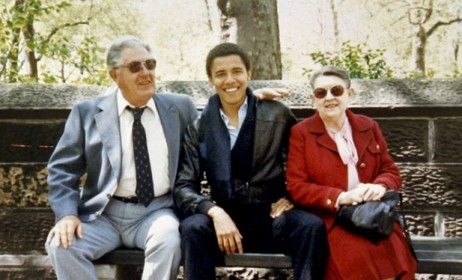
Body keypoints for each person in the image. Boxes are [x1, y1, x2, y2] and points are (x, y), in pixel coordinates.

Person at [44, 35, 198, 280]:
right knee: (61, 245)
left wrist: (249, 102)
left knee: (169, 240)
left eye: (150, 64)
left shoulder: (180, 108)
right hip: (104, 214)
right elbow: (62, 170)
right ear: (114, 75)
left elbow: (215, 128)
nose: (146, 73)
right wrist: (67, 215)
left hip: (157, 212)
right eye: (135, 67)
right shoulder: (88, 113)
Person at [174, 42, 328, 280]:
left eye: (237, 71)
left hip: (272, 217)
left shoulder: (276, 113)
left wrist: (291, 197)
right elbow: (184, 186)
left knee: (311, 227)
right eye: (221, 74)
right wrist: (214, 212)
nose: (230, 80)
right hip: (227, 222)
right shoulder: (200, 127)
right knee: (192, 228)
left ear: (249, 73)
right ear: (210, 80)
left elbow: (307, 162)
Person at [286, 65, 417, 280]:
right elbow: (297, 187)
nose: (329, 98)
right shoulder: (301, 133)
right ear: (314, 99)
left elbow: (390, 170)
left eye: (336, 91)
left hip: (375, 217)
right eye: (321, 93)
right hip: (335, 220)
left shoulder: (368, 126)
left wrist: (379, 185)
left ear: (350, 93)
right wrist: (341, 197)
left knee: (397, 257)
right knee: (356, 261)